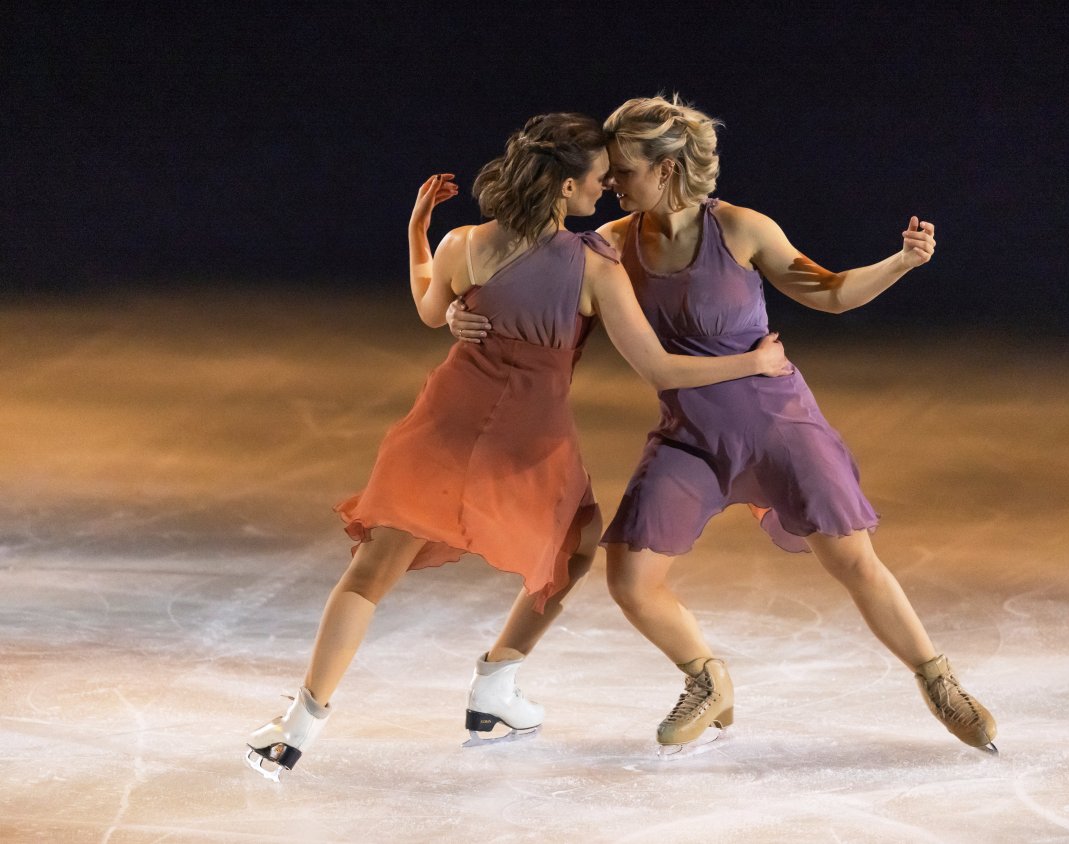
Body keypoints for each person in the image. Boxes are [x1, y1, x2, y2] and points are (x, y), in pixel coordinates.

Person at [244, 112, 791, 781]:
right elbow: (660, 369)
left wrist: (419, 234)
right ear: (563, 187)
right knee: (578, 545)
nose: (608, 188)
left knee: (373, 570)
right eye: (597, 178)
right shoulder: (595, 266)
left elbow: (426, 307)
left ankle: (298, 726)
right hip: (529, 439)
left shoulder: (463, 244)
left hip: (445, 423)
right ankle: (496, 684)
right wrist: (751, 367)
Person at [448, 96, 998, 757]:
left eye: (624, 170)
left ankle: (937, 681)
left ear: (669, 167)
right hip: (690, 438)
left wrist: (902, 262)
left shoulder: (740, 229)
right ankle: (707, 679)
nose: (613, 184)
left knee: (852, 558)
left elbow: (827, 291)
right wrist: (459, 313)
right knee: (629, 576)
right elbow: (528, 280)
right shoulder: (612, 246)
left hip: (778, 424)